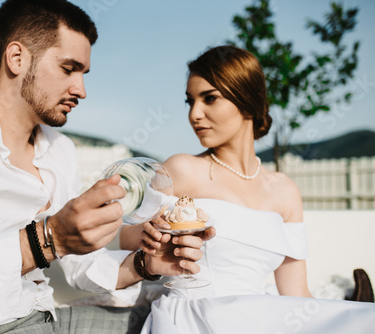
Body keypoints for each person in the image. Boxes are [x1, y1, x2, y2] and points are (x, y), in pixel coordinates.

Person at [0, 1, 211, 333]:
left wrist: (145, 264)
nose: (81, 90)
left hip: (44, 316)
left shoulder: (59, 148)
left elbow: (80, 265)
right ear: (17, 58)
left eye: (83, 74)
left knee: (175, 312)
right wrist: (45, 240)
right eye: (69, 69)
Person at [120, 45, 375, 334]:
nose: (195, 114)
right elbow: (127, 238)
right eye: (190, 101)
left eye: (210, 99)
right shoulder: (182, 169)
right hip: (195, 318)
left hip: (259, 317)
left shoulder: (285, 191)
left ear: (247, 99)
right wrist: (156, 231)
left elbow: (296, 295)